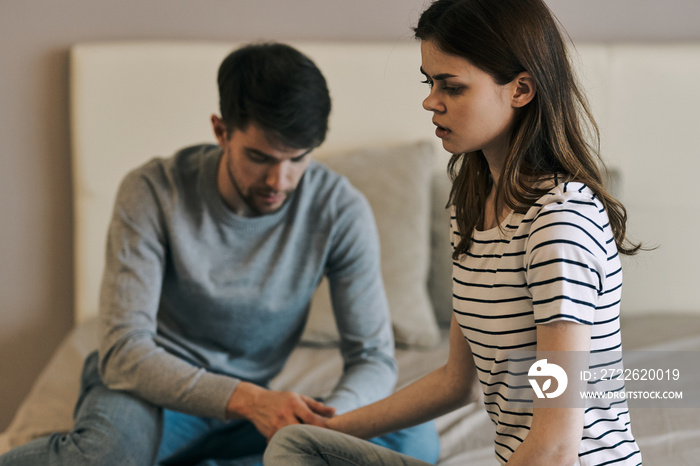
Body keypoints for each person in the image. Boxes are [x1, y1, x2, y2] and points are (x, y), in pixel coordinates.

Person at [0, 42, 439, 466]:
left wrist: (327, 425)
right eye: (260, 157)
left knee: (413, 438)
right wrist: (249, 400)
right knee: (104, 457)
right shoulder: (153, 191)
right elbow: (122, 352)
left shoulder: (340, 209)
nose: (280, 180)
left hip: (255, 409)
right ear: (220, 131)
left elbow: (373, 357)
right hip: (147, 394)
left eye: (298, 159)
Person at [263, 0, 644, 465]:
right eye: (430, 82)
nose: (430, 100)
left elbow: (557, 446)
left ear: (521, 89)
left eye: (453, 87)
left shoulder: (559, 224)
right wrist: (332, 427)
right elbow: (455, 382)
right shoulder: (471, 208)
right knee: (300, 446)